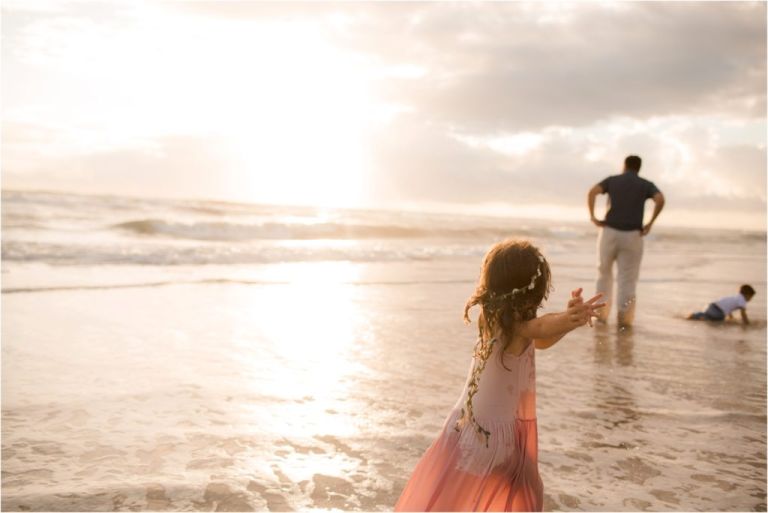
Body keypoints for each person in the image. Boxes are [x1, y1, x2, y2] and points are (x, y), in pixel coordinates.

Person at [394, 239, 604, 512]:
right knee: (524, 492)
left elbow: (540, 339)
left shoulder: (493, 318)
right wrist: (568, 317)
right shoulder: (516, 326)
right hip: (493, 435)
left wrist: (568, 324)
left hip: (469, 426)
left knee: (454, 497)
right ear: (535, 289)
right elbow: (539, 328)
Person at [587, 155, 665, 327]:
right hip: (632, 235)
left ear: (624, 165)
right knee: (627, 279)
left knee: (603, 273)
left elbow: (592, 192)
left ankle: (600, 316)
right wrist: (650, 223)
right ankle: (624, 320)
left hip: (609, 232)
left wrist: (593, 216)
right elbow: (660, 199)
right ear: (639, 168)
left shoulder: (613, 180)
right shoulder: (645, 184)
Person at [688, 285, 755, 325]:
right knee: (718, 321)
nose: (750, 299)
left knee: (707, 315)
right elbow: (743, 313)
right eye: (750, 297)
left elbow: (728, 307)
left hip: (712, 306)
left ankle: (695, 315)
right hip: (718, 313)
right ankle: (700, 317)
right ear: (747, 294)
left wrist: (731, 317)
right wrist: (747, 323)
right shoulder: (742, 300)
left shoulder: (736, 297)